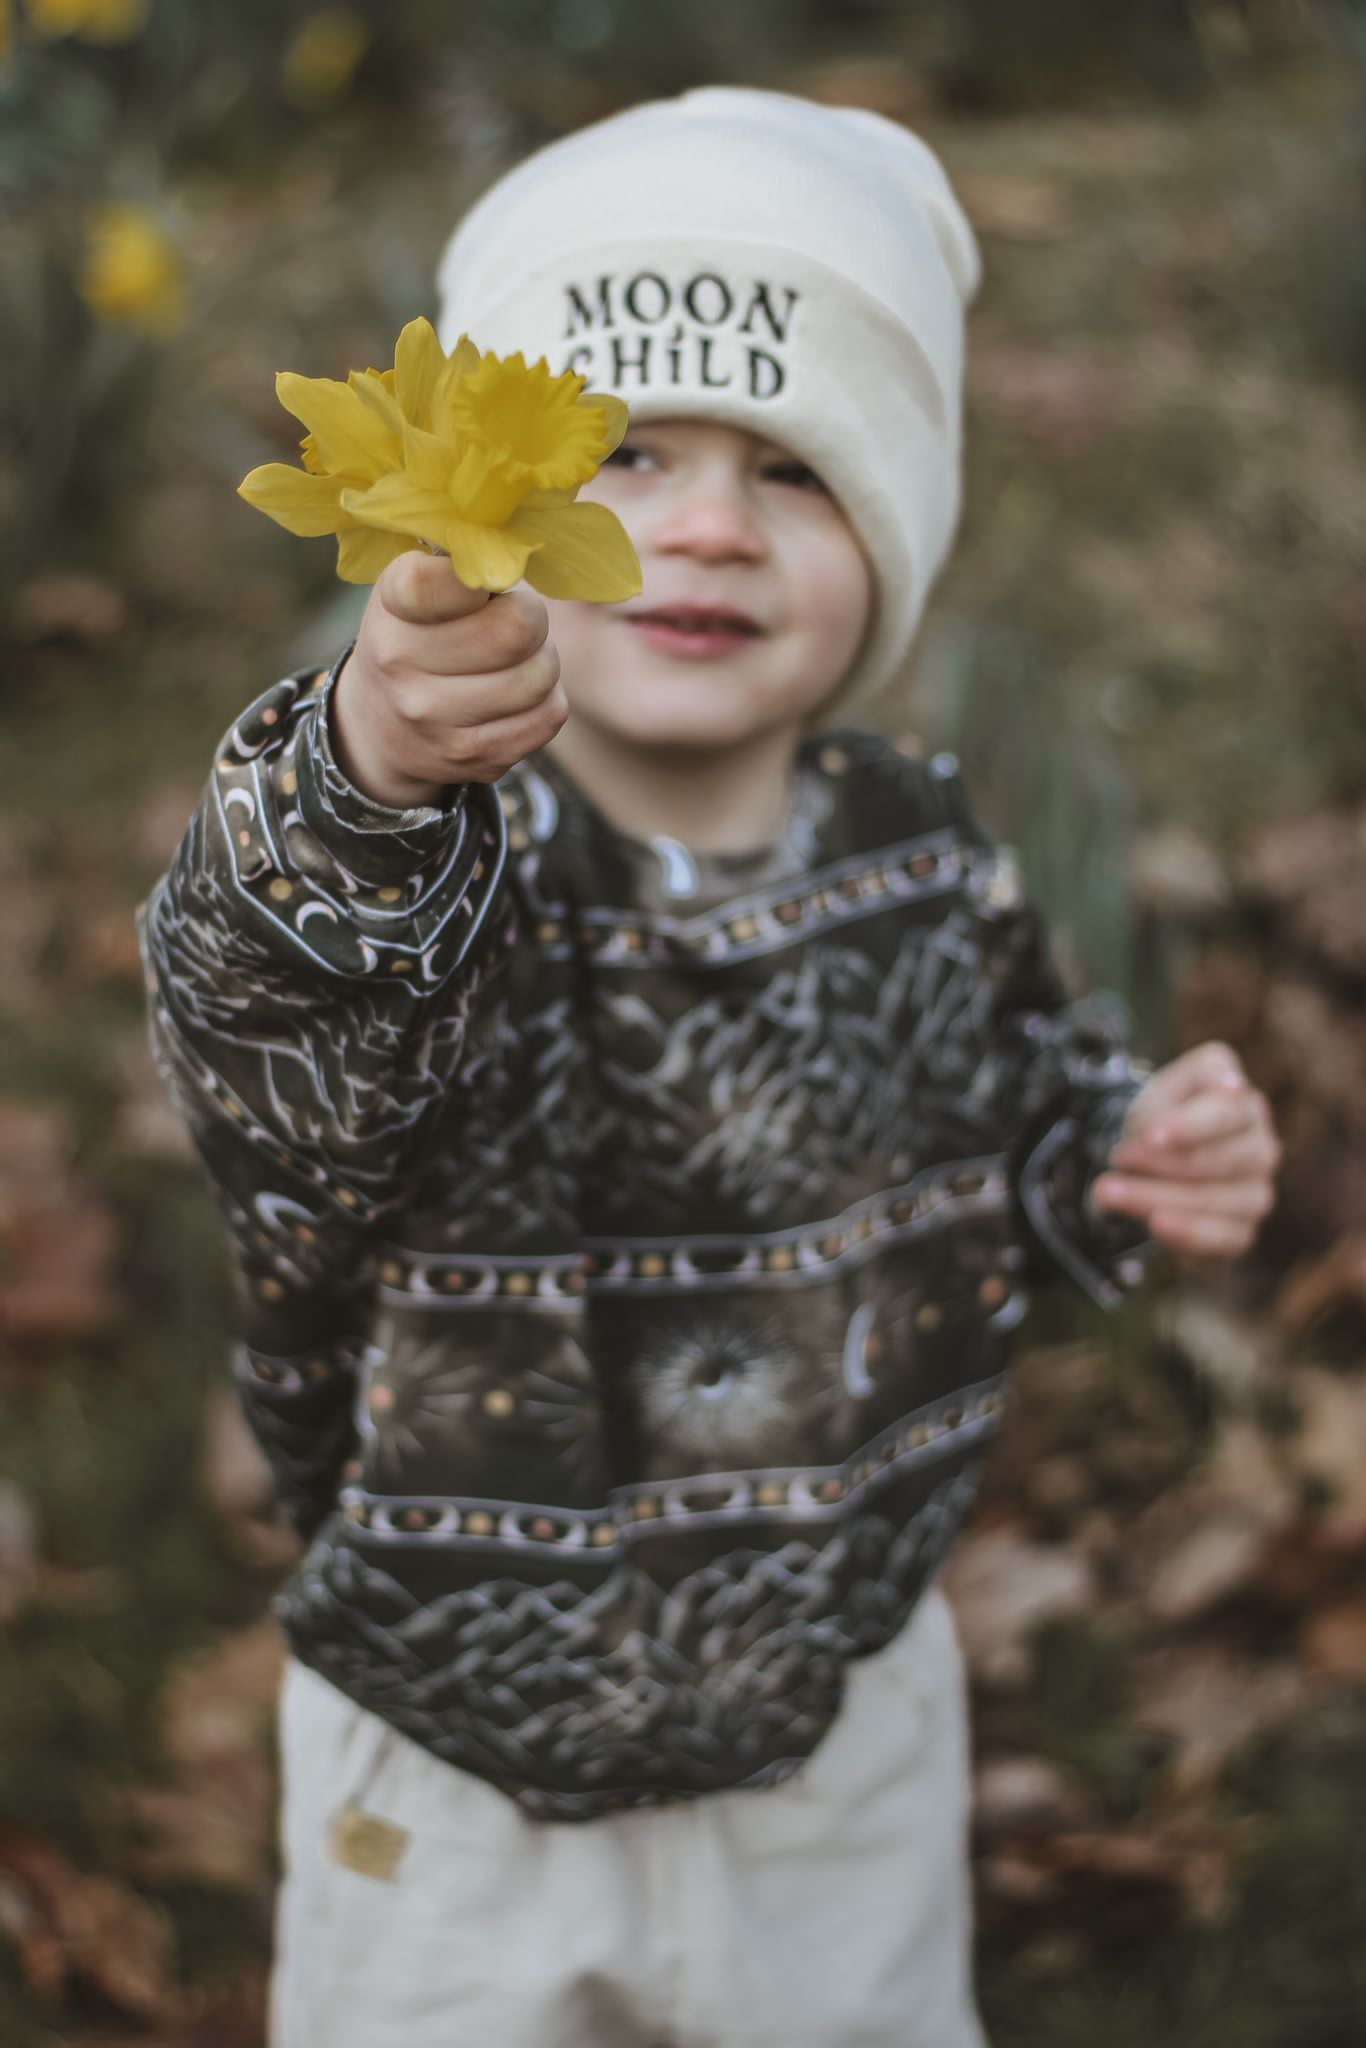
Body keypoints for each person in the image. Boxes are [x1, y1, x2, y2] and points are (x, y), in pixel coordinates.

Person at [137, 86, 1280, 2048]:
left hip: (826, 1701)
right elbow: (271, 1022)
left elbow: (989, 1093)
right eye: (628, 449)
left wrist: (1111, 1149)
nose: (702, 524)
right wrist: (363, 775)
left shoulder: (912, 833)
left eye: (796, 470)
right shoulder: (442, 852)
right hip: (457, 1730)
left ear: (893, 530)